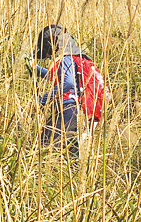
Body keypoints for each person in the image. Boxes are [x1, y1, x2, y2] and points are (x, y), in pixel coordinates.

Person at [27, 24, 106, 153]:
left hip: (67, 111)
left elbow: (67, 83)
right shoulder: (79, 60)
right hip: (82, 113)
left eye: (47, 53)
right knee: (71, 157)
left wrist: (42, 100)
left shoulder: (65, 58)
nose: (48, 57)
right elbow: (57, 77)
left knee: (44, 151)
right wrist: (35, 69)